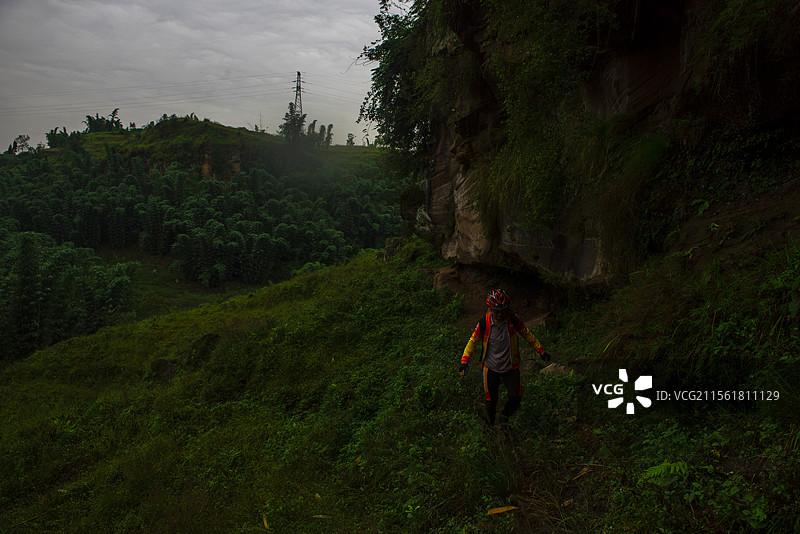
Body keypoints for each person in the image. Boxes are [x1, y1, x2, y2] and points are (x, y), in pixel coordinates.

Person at [459, 289, 551, 426]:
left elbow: (526, 334)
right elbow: (473, 341)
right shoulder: (484, 323)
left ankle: (504, 418)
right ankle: (490, 427)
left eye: (503, 310)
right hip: (490, 368)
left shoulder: (513, 319)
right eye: (496, 311)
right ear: (491, 309)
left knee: (515, 398)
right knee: (491, 401)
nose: (500, 314)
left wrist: (541, 350)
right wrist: (464, 361)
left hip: (510, 367)